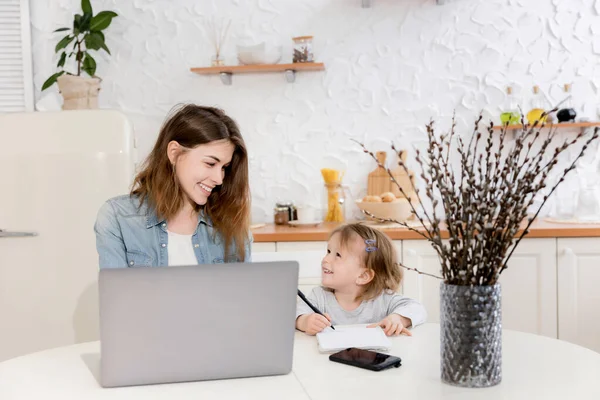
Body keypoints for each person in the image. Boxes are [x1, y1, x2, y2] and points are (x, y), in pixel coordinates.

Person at [94, 104, 251, 268]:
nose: (219, 179)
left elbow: (242, 293)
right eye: (210, 163)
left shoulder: (231, 223)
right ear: (174, 153)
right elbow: (116, 292)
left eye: (224, 168)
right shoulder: (117, 217)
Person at [296, 223, 427, 336]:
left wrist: (398, 319)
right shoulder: (319, 296)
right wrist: (305, 321)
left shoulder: (383, 299)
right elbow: (294, 314)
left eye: (337, 255)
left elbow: (417, 309)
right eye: (328, 251)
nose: (326, 259)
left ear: (363, 276)